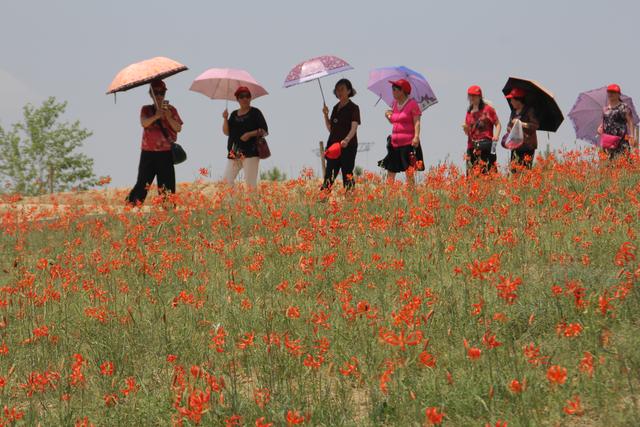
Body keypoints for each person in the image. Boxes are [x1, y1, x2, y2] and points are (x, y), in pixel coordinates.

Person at [126, 80, 183, 205]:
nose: (159, 96)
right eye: (156, 93)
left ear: (165, 94)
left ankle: (168, 211)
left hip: (166, 153)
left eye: (161, 93)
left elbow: (178, 128)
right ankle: (131, 206)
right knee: (142, 183)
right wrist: (156, 116)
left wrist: (168, 116)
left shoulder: (172, 110)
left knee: (166, 184)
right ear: (151, 94)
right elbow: (144, 123)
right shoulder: (146, 109)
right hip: (148, 152)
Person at [222, 87, 268, 188]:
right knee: (225, 182)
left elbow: (264, 131)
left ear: (250, 98)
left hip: (251, 152)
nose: (245, 99)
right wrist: (225, 119)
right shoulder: (233, 114)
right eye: (242, 96)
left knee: (250, 185)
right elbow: (226, 132)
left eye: (247, 96)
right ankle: (237, 203)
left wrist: (249, 134)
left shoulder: (256, 112)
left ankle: (252, 203)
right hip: (235, 152)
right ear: (237, 99)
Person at [379, 79, 423, 185]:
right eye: (392, 89)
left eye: (395, 90)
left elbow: (417, 122)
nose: (392, 92)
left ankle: (411, 195)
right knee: (391, 170)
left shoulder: (412, 104)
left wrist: (416, 136)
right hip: (395, 143)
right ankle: (389, 195)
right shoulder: (394, 104)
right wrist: (388, 115)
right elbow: (393, 121)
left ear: (402, 91)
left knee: (409, 171)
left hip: (408, 143)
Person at [321, 79, 361, 191]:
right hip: (334, 146)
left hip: (348, 146)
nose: (339, 92)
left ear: (349, 91)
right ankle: (322, 201)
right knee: (329, 175)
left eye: (342, 89)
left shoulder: (354, 108)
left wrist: (346, 140)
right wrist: (325, 115)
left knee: (347, 174)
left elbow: (354, 127)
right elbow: (331, 129)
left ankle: (350, 201)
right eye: (337, 90)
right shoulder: (335, 108)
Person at [463, 85, 501, 174]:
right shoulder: (469, 112)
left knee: (489, 172)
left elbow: (498, 124)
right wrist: (466, 129)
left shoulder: (488, 109)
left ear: (480, 96)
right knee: (471, 174)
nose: (472, 98)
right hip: (472, 146)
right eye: (470, 95)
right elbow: (468, 132)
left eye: (474, 95)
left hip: (486, 145)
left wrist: (496, 136)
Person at [503, 87, 539, 171]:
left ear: (518, 100)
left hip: (527, 145)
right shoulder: (513, 112)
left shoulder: (529, 111)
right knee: (514, 170)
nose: (510, 102)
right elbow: (509, 125)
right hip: (515, 145)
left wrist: (520, 123)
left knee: (525, 170)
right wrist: (509, 129)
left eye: (512, 99)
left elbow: (535, 125)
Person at [597, 84, 635, 159]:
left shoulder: (624, 107)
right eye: (609, 92)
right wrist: (599, 128)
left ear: (618, 94)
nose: (610, 94)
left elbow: (630, 122)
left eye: (613, 92)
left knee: (623, 163)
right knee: (608, 166)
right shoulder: (605, 109)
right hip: (608, 143)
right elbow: (604, 122)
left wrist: (632, 136)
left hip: (621, 141)